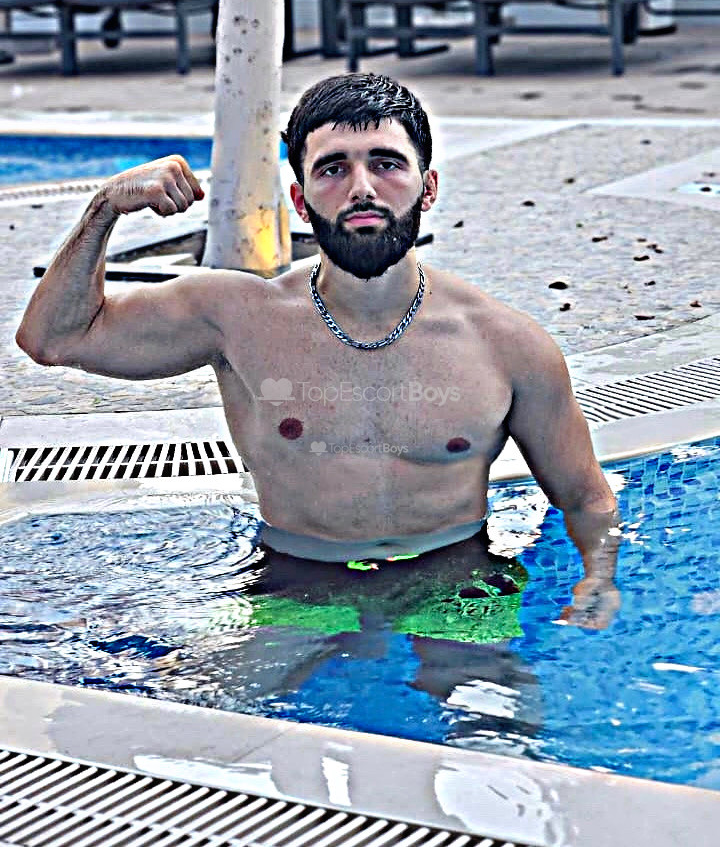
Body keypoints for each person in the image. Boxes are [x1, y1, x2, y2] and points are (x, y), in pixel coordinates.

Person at [16, 72, 620, 630]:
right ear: (301, 201)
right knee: (227, 706)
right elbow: (53, 338)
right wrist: (105, 208)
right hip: (298, 582)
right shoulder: (239, 317)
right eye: (332, 169)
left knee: (495, 705)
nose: (362, 188)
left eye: (386, 163)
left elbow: (586, 498)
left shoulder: (507, 345)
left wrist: (599, 579)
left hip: (457, 580)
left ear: (428, 188)